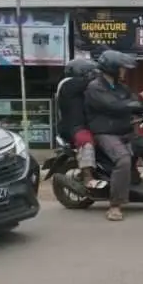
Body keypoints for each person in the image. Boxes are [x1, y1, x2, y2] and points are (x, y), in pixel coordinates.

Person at [84, 50, 143, 222]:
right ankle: (115, 205)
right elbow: (115, 106)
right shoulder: (95, 87)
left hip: (125, 130)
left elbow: (134, 102)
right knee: (123, 159)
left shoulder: (121, 86)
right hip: (106, 133)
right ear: (112, 68)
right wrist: (137, 101)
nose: (124, 71)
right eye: (122, 68)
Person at [56, 58, 104, 191]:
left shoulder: (85, 87)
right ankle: (88, 177)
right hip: (73, 126)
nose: (93, 75)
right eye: (90, 72)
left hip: (86, 124)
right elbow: (87, 83)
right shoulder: (67, 84)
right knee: (86, 141)